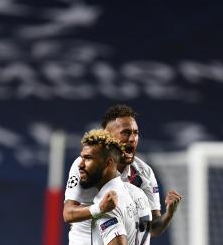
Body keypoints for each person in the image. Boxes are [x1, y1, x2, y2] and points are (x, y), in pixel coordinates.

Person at [63, 104, 182, 245]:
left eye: (135, 133)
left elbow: (152, 229)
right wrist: (99, 208)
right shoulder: (85, 165)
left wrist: (168, 214)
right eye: (126, 132)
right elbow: (68, 213)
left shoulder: (144, 173)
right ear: (108, 135)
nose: (132, 139)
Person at [79, 129, 151, 245]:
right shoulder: (138, 193)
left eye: (88, 158)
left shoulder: (107, 203)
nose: (80, 165)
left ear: (108, 163)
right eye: (81, 158)